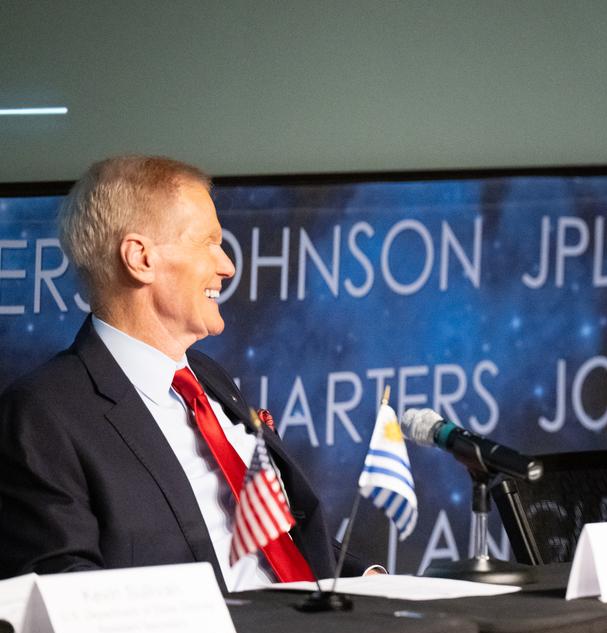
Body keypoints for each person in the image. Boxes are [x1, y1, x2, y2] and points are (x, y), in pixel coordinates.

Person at [0, 156, 350, 591]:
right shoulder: (42, 416)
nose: (227, 266)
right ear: (140, 258)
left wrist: (368, 581)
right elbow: (64, 591)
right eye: (208, 242)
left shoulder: (210, 379)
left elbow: (282, 536)